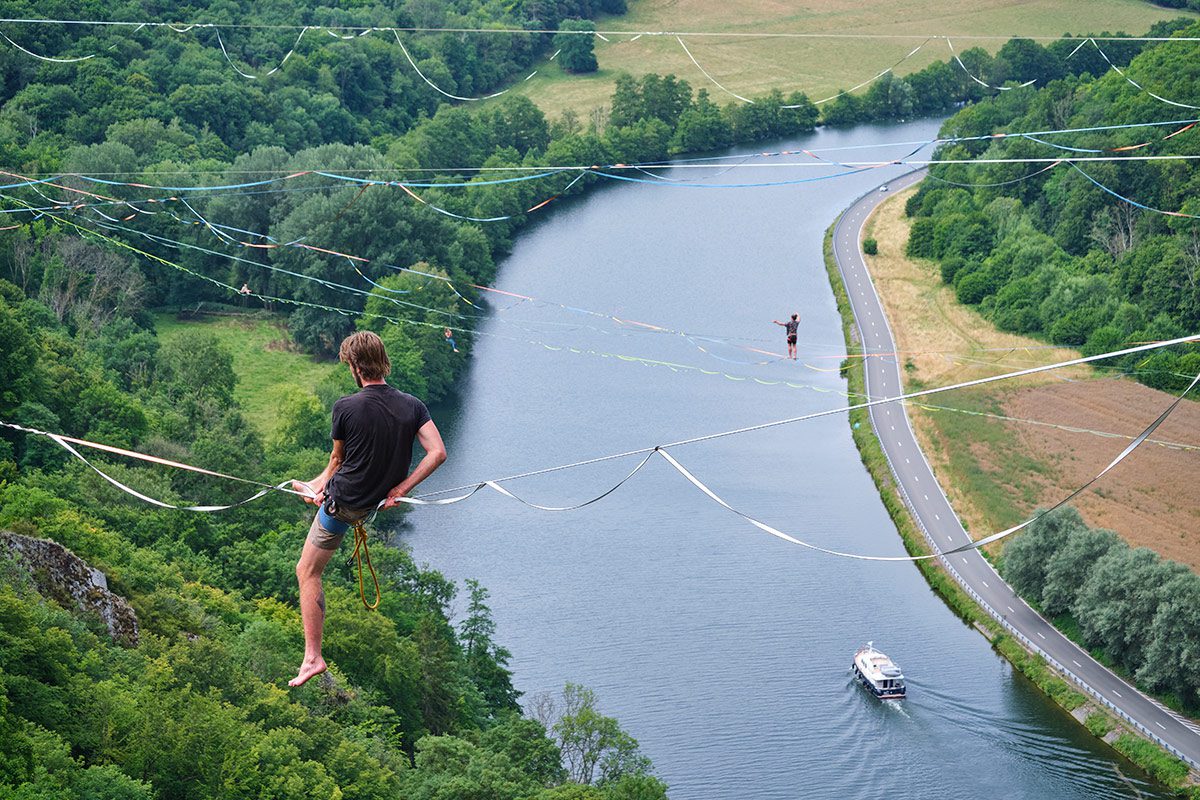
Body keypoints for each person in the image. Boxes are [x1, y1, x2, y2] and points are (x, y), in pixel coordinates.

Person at [288, 330, 447, 687]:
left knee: (307, 572)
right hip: (372, 503)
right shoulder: (413, 406)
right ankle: (312, 489)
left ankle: (313, 656)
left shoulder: (346, 406)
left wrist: (323, 490)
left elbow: (337, 460)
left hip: (343, 505)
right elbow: (437, 453)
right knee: (319, 490)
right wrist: (400, 489)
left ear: (356, 367)